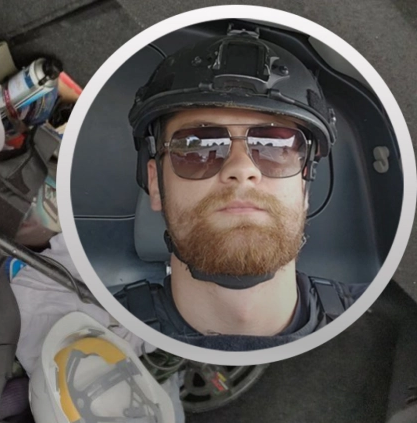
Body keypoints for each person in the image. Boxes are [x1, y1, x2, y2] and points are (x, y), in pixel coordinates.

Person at [115, 24, 366, 351]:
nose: (241, 169)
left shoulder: (384, 325)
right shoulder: (93, 327)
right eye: (197, 146)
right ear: (155, 183)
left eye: (274, 146)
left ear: (305, 184)